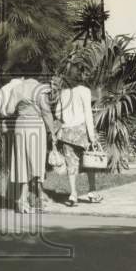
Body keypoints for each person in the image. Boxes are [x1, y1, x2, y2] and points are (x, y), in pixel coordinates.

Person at [0, 77, 58, 213]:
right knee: (37, 162)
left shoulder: (17, 88)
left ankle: (22, 201)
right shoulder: (40, 89)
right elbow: (46, 112)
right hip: (36, 126)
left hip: (20, 125)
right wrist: (52, 132)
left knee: (22, 163)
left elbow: (9, 110)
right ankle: (39, 199)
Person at [50, 75, 103, 207]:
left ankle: (73, 194)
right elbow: (88, 114)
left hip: (67, 132)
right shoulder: (84, 91)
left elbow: (57, 114)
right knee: (90, 161)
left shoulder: (64, 93)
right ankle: (92, 191)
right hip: (82, 132)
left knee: (71, 164)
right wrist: (92, 136)